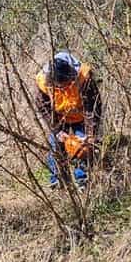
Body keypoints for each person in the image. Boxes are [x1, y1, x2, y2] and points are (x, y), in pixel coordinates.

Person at [35, 50, 102, 189]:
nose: (64, 87)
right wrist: (57, 130)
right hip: (59, 119)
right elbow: (44, 108)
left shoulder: (84, 79)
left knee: (81, 147)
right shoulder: (43, 82)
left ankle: (82, 180)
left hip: (82, 117)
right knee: (55, 146)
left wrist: (90, 135)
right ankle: (57, 180)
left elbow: (93, 108)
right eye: (60, 85)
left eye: (66, 83)